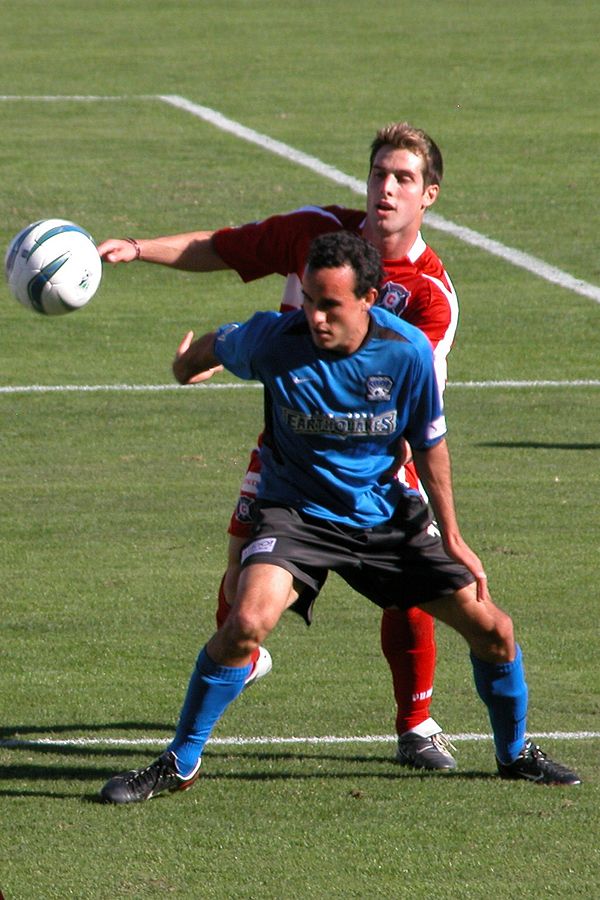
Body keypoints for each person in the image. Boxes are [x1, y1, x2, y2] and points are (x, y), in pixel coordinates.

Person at [100, 232, 580, 804]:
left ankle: (514, 752)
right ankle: (180, 760)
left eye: (330, 305)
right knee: (247, 622)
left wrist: (452, 535)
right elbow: (215, 345)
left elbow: (430, 445)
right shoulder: (275, 340)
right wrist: (185, 367)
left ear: (369, 298)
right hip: (295, 514)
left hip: (382, 517)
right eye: (309, 300)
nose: (315, 316)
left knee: (495, 632)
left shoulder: (407, 354)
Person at [97, 123, 461, 770]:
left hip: (380, 462)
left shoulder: (430, 296)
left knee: (411, 587)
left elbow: (414, 409)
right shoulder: (316, 235)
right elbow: (224, 246)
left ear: (428, 194)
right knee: (240, 591)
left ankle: (415, 722)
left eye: (403, 178)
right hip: (291, 446)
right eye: (379, 173)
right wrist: (137, 247)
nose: (386, 187)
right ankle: (236, 669)